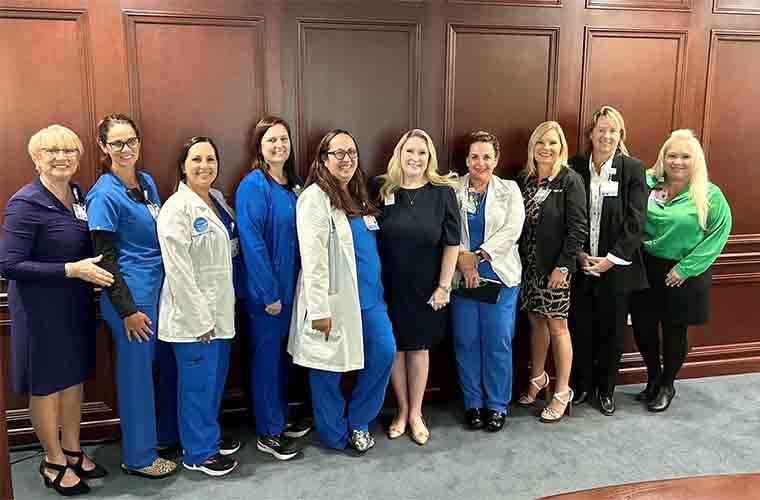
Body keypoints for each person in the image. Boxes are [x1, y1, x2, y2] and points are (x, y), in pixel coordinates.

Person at [0, 125, 113, 496]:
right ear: (36, 159)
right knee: (47, 386)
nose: (62, 157)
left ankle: (73, 450)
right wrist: (70, 269)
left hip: (74, 304)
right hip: (39, 310)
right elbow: (9, 265)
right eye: (51, 151)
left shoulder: (77, 194)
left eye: (69, 150)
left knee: (73, 379)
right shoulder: (24, 203)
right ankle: (52, 460)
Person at [287, 129, 396, 454]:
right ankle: (333, 433)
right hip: (334, 300)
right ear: (323, 159)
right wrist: (319, 309)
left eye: (352, 152)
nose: (347, 159)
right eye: (338, 153)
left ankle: (358, 420)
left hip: (370, 299)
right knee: (326, 368)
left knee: (383, 352)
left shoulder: (359, 194)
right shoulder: (314, 199)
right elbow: (313, 258)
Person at [85, 114, 178, 478]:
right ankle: (139, 457)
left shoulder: (147, 182)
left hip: (158, 290)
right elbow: (104, 258)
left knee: (158, 369)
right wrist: (126, 311)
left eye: (132, 141)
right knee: (136, 377)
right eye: (118, 143)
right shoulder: (102, 195)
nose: (127, 149)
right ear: (104, 147)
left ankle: (159, 437)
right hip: (131, 300)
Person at [157, 136, 242, 476]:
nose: (204, 166)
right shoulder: (176, 208)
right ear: (183, 166)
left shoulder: (217, 201)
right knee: (197, 387)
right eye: (196, 160)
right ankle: (198, 453)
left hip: (220, 310)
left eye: (210, 159)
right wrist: (199, 318)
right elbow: (178, 270)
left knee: (211, 383)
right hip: (194, 319)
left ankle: (206, 435)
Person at [630, 129, 731, 412]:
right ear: (663, 157)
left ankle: (667, 385)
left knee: (675, 331)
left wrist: (685, 269)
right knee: (643, 326)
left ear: (695, 160)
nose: (677, 161)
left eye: (685, 156)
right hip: (647, 266)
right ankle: (653, 378)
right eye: (672, 155)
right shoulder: (650, 184)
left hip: (684, 272)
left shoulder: (709, 194)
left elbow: (718, 235)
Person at [376, 129, 460, 445]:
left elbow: (453, 243)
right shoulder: (382, 188)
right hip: (389, 285)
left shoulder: (442, 193)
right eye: (410, 151)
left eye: (422, 153)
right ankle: (401, 409)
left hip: (427, 287)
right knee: (395, 348)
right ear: (400, 154)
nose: (415, 158)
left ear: (430, 158)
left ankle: (416, 413)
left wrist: (444, 286)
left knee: (419, 348)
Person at [236, 116, 310, 462]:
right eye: (271, 140)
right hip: (268, 293)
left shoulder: (293, 185)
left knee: (282, 359)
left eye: (283, 139)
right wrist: (268, 294)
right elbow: (252, 243)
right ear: (259, 147)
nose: (279, 145)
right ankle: (268, 431)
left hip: (295, 287)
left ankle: (279, 417)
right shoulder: (254, 185)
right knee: (266, 360)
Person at [568, 106, 648, 415]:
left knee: (613, 332)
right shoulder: (575, 165)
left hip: (617, 269)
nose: (606, 136)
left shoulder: (633, 168)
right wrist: (579, 252)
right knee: (581, 328)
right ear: (591, 134)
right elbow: (568, 213)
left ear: (621, 135)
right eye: (601, 130)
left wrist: (611, 259)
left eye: (613, 130)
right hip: (581, 263)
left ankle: (606, 390)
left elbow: (636, 220)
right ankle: (582, 385)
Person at [451, 131, 525, 432]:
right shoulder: (452, 189)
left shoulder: (510, 190)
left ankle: (496, 404)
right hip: (461, 278)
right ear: (467, 160)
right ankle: (473, 404)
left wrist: (477, 256)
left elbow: (512, 230)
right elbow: (444, 227)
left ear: (496, 159)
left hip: (499, 276)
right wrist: (462, 259)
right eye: (474, 157)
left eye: (486, 157)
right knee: (466, 341)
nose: (480, 163)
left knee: (497, 342)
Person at [515, 121, 587, 423]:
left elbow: (578, 228)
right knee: (535, 321)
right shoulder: (525, 180)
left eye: (553, 143)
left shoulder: (570, 180)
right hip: (528, 266)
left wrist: (563, 266)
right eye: (540, 142)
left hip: (554, 268)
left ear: (561, 148)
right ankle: (538, 376)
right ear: (533, 146)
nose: (546, 148)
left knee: (558, 326)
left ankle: (561, 391)